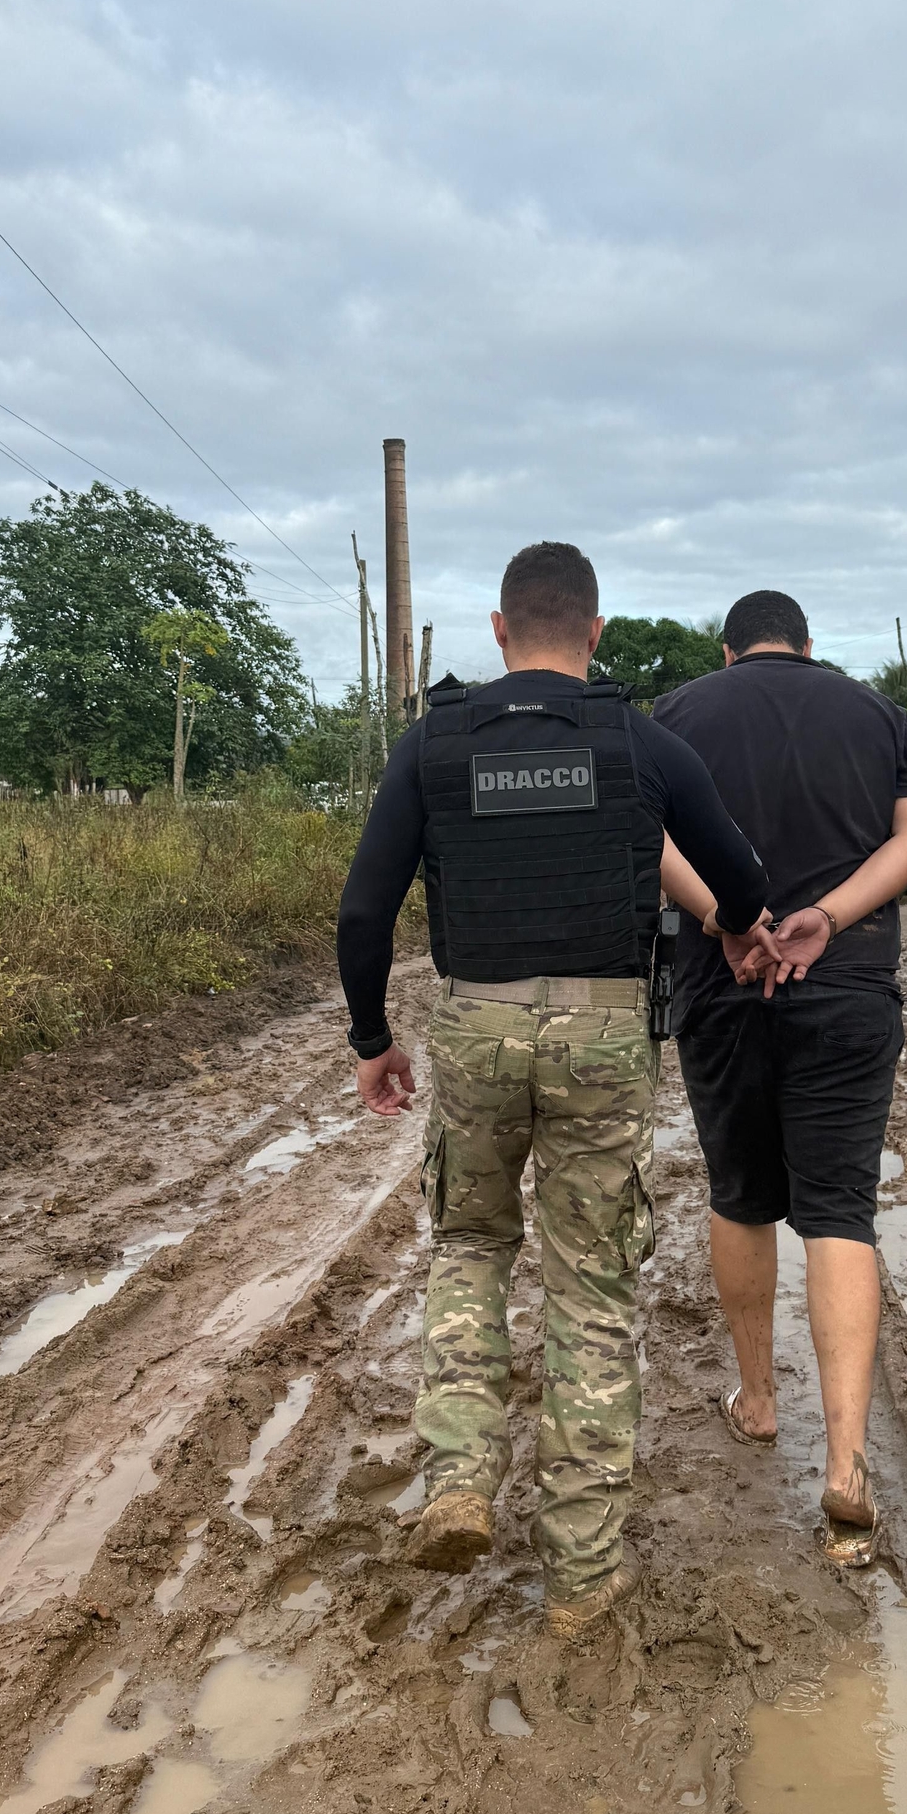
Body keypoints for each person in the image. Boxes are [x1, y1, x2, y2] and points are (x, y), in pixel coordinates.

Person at [334, 541, 773, 1641]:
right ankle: (581, 1573)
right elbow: (744, 884)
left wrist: (372, 1038)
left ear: (495, 630)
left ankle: (461, 1478)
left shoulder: (433, 744)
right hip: (605, 1031)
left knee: (471, 1246)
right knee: (590, 1285)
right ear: (596, 632)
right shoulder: (641, 741)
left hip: (474, 1024)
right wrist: (728, 926)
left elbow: (362, 912)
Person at [653, 591, 907, 1567]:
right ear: (810, 646)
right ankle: (849, 1460)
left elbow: (649, 838)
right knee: (839, 1212)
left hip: (721, 986)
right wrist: (826, 911)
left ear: (728, 650)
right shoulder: (878, 713)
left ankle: (759, 1401)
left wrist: (727, 919)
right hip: (850, 985)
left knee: (739, 1195)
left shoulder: (679, 715)